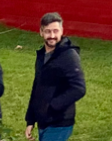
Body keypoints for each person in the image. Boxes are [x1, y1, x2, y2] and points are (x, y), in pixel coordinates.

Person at [26, 13, 86, 141]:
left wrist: (52, 106)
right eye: (48, 31)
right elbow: (37, 86)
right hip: (43, 121)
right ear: (41, 32)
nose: (52, 36)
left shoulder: (69, 56)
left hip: (59, 122)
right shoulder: (42, 55)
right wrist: (30, 119)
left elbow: (79, 88)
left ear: (62, 31)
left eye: (55, 31)